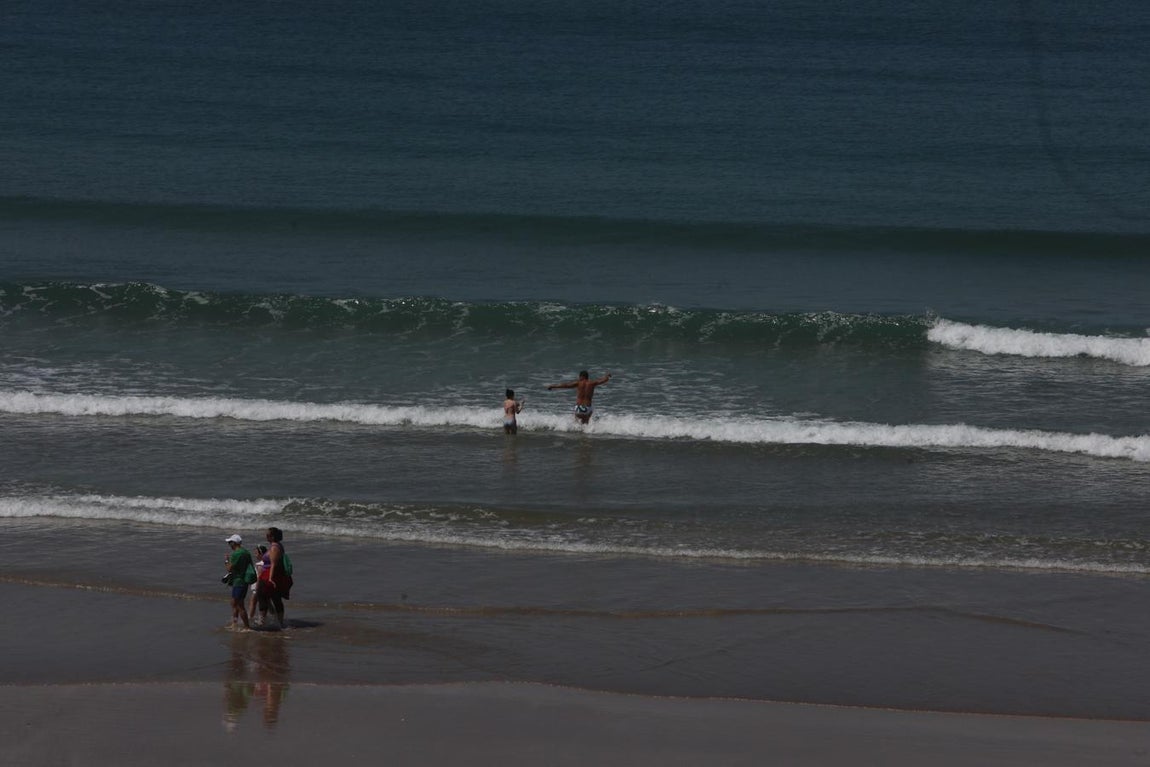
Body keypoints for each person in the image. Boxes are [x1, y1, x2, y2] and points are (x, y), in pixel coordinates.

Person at [257, 527, 292, 629]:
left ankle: (263, 622)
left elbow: (273, 564)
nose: (266, 536)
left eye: (268, 535)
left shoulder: (274, 548)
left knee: (262, 596)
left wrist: (270, 578)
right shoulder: (276, 546)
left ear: (272, 537)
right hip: (271, 574)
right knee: (274, 598)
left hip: (269, 575)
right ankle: (277, 622)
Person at [547, 370, 612, 424]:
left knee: (577, 423)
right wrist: (607, 376)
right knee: (586, 423)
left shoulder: (578, 383)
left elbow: (566, 385)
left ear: (582, 376)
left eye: (579, 377)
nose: (579, 378)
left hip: (578, 408)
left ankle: (575, 432)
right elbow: (603, 380)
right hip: (587, 408)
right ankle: (585, 435)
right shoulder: (592, 383)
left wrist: (553, 386)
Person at [223, 534, 256, 630]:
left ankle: (247, 626)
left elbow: (229, 568)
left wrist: (226, 560)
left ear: (234, 543)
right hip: (243, 580)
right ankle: (234, 623)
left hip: (239, 581)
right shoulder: (246, 552)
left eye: (230, 542)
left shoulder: (236, 554)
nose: (229, 544)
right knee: (234, 603)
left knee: (239, 605)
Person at [248, 544, 268, 624]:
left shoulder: (260, 564)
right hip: (265, 586)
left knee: (253, 601)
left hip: (258, 585)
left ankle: (250, 617)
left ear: (261, 554)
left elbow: (259, 576)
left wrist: (257, 587)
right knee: (266, 603)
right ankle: (264, 618)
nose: (255, 555)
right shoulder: (267, 562)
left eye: (256, 553)